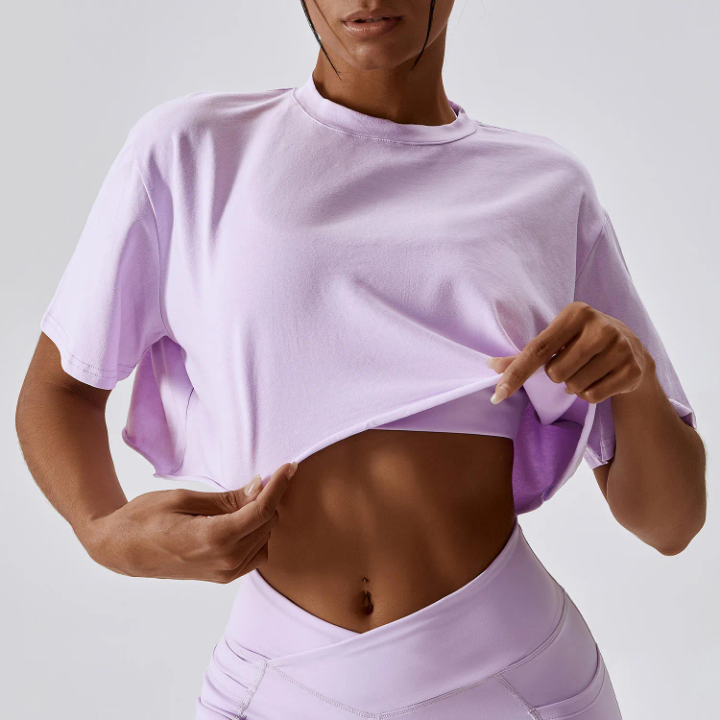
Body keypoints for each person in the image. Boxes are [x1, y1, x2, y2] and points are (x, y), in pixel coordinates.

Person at [16, 2, 707, 718]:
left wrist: (635, 378)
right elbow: (59, 390)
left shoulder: (547, 188)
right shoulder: (192, 151)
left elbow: (672, 523)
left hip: (516, 679)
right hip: (276, 682)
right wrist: (103, 533)